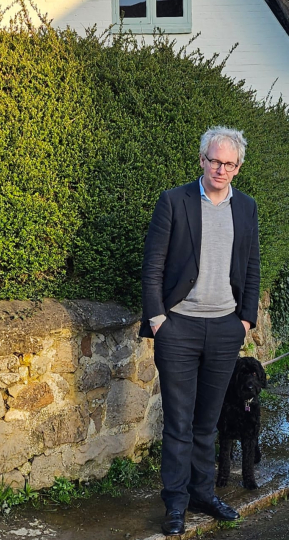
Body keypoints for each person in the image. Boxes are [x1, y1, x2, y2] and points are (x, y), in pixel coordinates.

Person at [140, 126, 260, 536]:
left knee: (208, 423)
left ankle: (202, 493)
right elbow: (152, 264)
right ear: (202, 160)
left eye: (228, 164)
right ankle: (175, 502)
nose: (220, 169)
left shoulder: (246, 208)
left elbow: (251, 266)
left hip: (225, 329)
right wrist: (158, 321)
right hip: (179, 329)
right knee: (178, 423)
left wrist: (244, 321)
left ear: (238, 168)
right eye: (214, 161)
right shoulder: (174, 201)